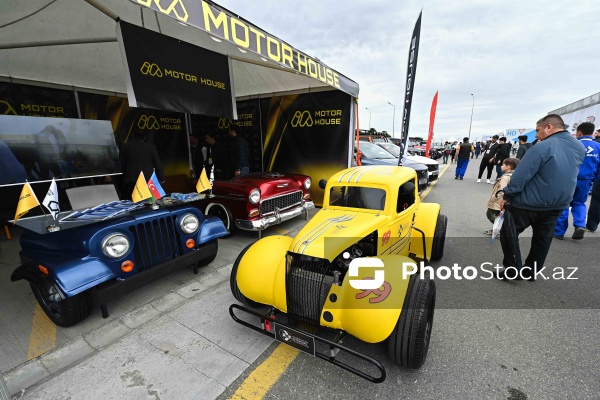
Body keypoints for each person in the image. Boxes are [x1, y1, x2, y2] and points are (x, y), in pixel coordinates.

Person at [496, 114, 585, 281]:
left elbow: (522, 174)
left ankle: (513, 270)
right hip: (558, 203)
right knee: (543, 239)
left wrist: (508, 195)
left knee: (508, 232)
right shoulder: (578, 146)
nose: (536, 135)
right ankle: (530, 272)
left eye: (538, 130)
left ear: (549, 127)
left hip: (528, 203)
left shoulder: (541, 147)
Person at [554, 122, 600, 240]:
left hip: (568, 179)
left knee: (563, 204)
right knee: (579, 203)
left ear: (579, 132)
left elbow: (561, 161)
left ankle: (559, 232)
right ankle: (580, 225)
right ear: (592, 132)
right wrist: (595, 178)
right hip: (586, 180)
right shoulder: (598, 147)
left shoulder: (572, 144)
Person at [119, 130, 164, 200]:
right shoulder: (150, 147)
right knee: (148, 203)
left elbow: (122, 164)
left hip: (130, 180)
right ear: (145, 138)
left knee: (130, 204)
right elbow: (157, 163)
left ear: (133, 137)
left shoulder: (124, 147)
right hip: (147, 180)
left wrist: (124, 178)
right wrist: (161, 178)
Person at [484, 158, 519, 235]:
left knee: (490, 214)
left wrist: (493, 199)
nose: (501, 166)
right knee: (499, 216)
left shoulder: (505, 177)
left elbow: (501, 191)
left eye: (503, 165)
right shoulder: (514, 176)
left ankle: (501, 229)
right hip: (507, 200)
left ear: (508, 167)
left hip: (499, 201)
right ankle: (498, 229)